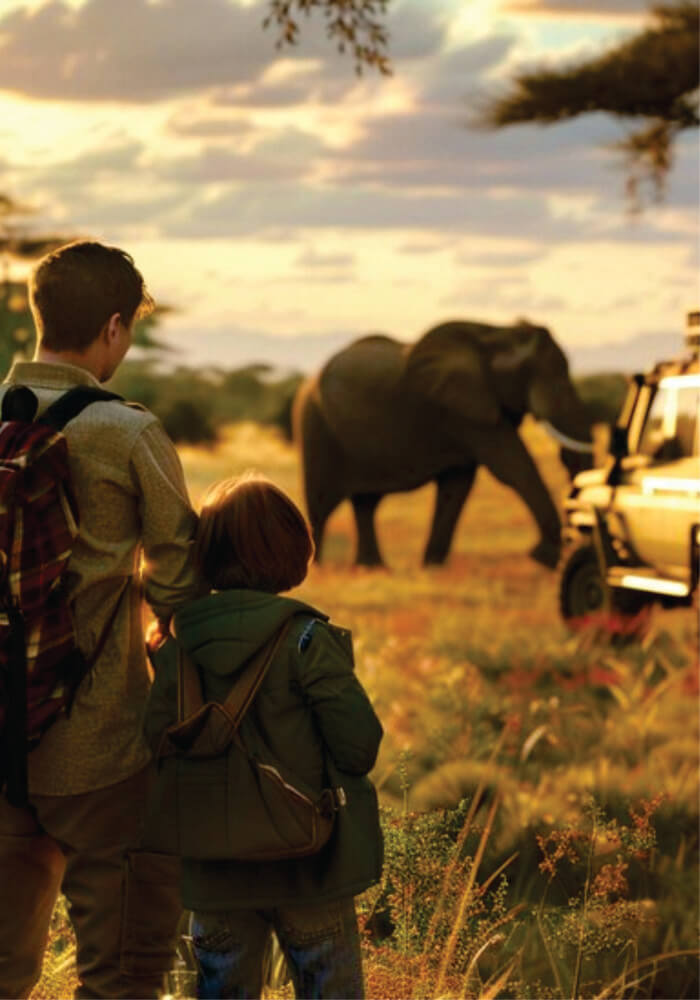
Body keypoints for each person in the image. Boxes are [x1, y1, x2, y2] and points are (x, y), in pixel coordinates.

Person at [0, 241, 203, 999]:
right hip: (101, 748)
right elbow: (180, 579)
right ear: (114, 327)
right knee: (121, 973)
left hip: (0, 735)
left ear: (39, 314)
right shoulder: (126, 432)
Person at [144, 474, 383, 1000]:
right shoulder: (306, 639)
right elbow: (359, 746)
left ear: (207, 552)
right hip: (311, 868)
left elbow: (154, 745)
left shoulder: (176, 647)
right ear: (291, 548)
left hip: (214, 876)